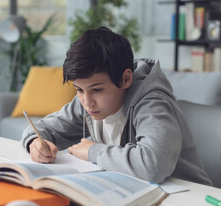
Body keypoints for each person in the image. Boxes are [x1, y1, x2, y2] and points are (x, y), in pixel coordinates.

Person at [20, 26, 212, 185]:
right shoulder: (87, 103)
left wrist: (92, 151)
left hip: (188, 200)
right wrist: (35, 143)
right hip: (133, 191)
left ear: (126, 78)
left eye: (97, 90)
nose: (87, 101)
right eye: (79, 89)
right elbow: (41, 128)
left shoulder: (153, 104)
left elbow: (152, 166)